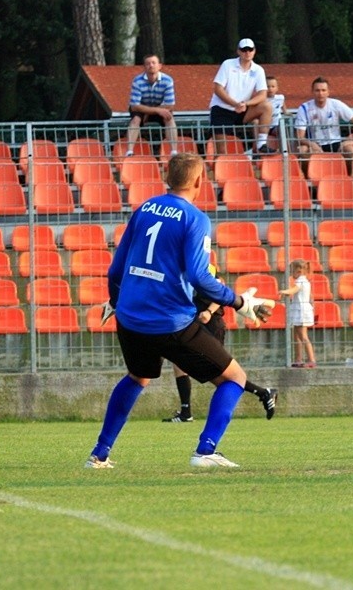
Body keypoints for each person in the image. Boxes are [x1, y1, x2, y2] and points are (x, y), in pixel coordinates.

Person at [85, 152, 274, 470]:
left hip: (130, 318)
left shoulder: (144, 208)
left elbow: (116, 268)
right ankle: (206, 450)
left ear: (166, 176)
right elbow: (201, 276)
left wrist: (117, 302)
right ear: (200, 181)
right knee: (235, 378)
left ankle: (99, 454)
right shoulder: (195, 219)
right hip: (169, 320)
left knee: (138, 377)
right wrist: (239, 302)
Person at [164, 263, 278, 422]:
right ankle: (186, 412)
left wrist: (209, 312)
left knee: (221, 373)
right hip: (196, 325)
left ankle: (263, 393)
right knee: (180, 365)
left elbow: (220, 291)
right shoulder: (182, 267)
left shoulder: (202, 266)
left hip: (211, 325)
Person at [209, 38, 274, 155]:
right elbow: (218, 88)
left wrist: (245, 104)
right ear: (238, 51)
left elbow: (262, 94)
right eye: (244, 50)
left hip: (242, 110)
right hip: (222, 110)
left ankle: (261, 144)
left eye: (250, 49)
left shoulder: (258, 70)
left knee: (267, 106)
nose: (247, 52)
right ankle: (219, 170)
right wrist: (235, 104)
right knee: (221, 152)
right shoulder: (227, 64)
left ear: (254, 51)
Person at [294, 77, 353, 158]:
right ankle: (306, 171)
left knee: (349, 150)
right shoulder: (304, 108)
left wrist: (352, 140)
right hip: (315, 143)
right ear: (312, 92)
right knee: (303, 150)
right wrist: (312, 144)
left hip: (336, 142)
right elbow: (300, 137)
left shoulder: (336, 104)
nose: (320, 93)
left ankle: (350, 170)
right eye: (317, 90)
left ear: (328, 92)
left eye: (323, 90)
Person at [125, 54, 178, 157]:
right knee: (135, 119)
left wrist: (150, 112)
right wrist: (156, 111)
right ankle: (129, 151)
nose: (151, 65)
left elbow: (170, 105)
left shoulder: (168, 81)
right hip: (142, 108)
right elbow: (134, 106)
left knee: (169, 118)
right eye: (148, 63)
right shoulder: (137, 81)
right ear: (144, 67)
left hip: (159, 107)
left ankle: (174, 151)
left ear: (160, 66)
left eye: (154, 63)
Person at [279, 259, 316, 368]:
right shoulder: (305, 281)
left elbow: (294, 290)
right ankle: (298, 359)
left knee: (303, 336)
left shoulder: (301, 281)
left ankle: (311, 359)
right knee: (297, 336)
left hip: (301, 311)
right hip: (298, 310)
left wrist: (284, 291)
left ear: (298, 271)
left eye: (292, 271)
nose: (291, 274)